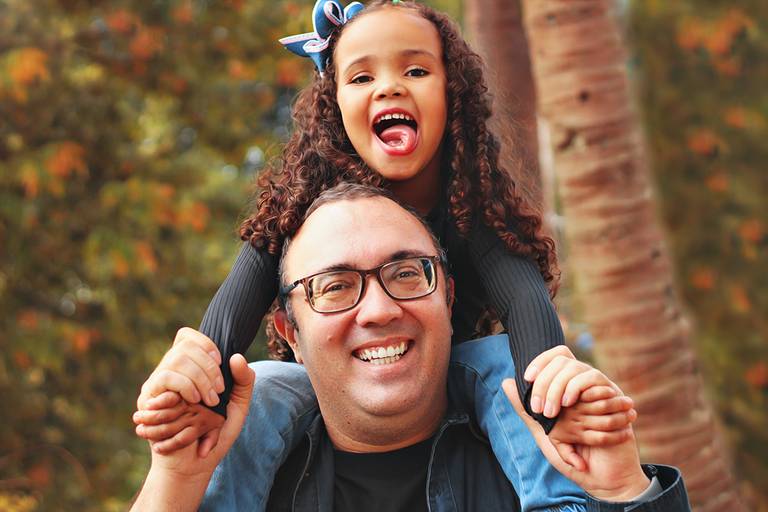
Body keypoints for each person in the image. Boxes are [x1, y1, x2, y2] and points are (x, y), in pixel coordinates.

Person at [136, 0, 632, 509]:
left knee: (503, 362)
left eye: (415, 70)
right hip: (332, 381)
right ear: (335, 105)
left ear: (452, 93)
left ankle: (560, 502)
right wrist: (192, 391)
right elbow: (227, 321)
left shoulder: (472, 208)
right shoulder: (300, 210)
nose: (389, 86)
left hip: (446, 373)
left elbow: (531, 317)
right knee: (260, 383)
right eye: (361, 76)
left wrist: (553, 395)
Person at [131, 185, 691, 511]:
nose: (377, 309)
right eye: (334, 286)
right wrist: (174, 480)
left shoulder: (538, 458)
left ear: (447, 296)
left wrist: (622, 491)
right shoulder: (254, 476)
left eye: (405, 272)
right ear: (289, 333)